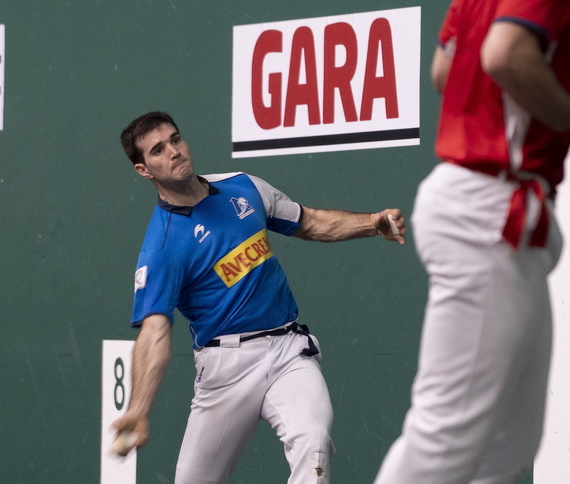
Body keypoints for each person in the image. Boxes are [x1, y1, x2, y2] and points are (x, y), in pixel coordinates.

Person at [374, 1, 570, 483]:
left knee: (512, 441)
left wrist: (557, 87)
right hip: (489, 214)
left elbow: (446, 71)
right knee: (445, 438)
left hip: (494, 214)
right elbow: (504, 55)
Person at [111, 111, 406, 484]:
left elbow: (309, 222)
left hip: (288, 351)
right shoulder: (163, 246)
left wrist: (370, 224)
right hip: (225, 369)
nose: (174, 151)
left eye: (175, 139)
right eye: (158, 150)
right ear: (143, 170)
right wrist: (138, 409)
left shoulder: (244, 187)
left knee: (312, 441)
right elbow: (154, 332)